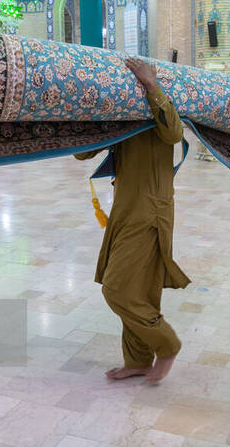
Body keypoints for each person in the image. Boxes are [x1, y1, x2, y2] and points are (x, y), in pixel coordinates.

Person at [75, 57, 189, 383]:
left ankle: (166, 344)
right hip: (125, 210)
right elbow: (81, 153)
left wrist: (152, 85)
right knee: (138, 288)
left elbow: (174, 134)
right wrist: (98, 117)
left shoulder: (158, 112)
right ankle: (138, 360)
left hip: (149, 211)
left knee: (117, 289)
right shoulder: (120, 117)